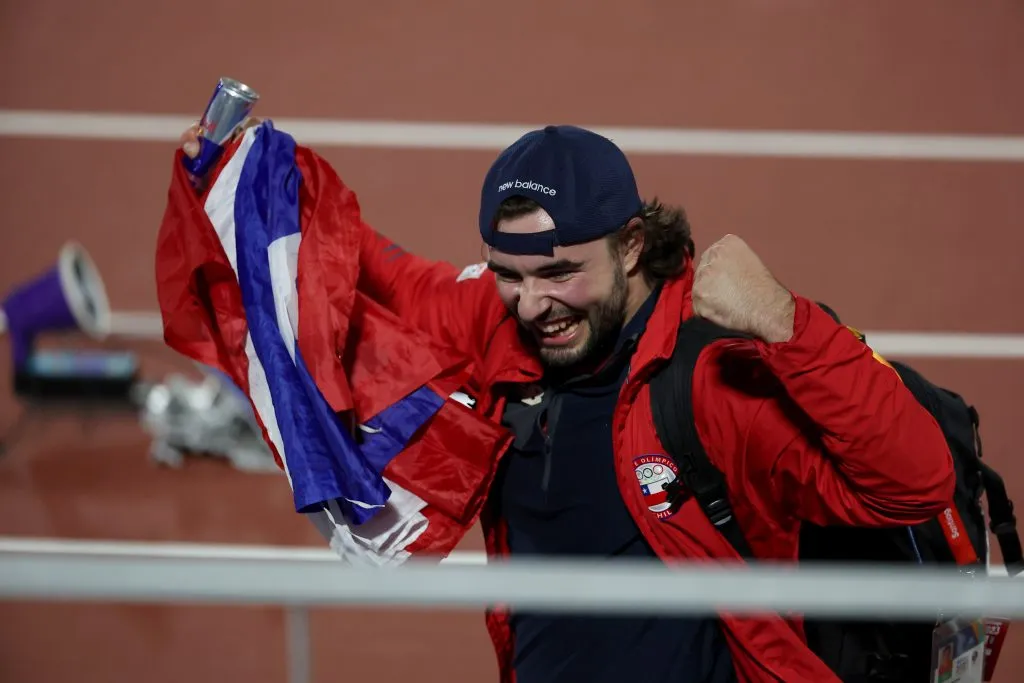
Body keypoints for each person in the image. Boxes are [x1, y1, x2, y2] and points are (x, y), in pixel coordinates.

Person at [175, 122, 956, 682]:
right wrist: (246, 179)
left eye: (558, 272)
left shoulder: (713, 377)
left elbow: (915, 481)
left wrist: (789, 323)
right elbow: (384, 278)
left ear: (630, 245)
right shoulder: (501, 322)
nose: (530, 303)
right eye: (509, 274)